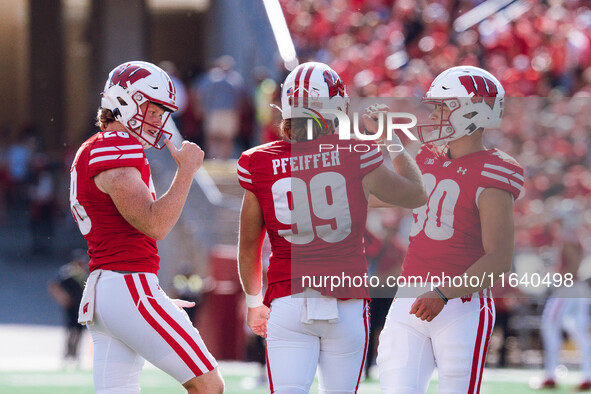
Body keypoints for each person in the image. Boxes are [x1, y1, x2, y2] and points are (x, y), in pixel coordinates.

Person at [236, 61, 427, 393]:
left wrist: (254, 301)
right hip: (346, 303)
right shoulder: (357, 153)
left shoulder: (259, 160)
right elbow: (416, 194)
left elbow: (249, 244)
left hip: (289, 299)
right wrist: (391, 140)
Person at [69, 61, 224, 394]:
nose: (158, 121)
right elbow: (155, 224)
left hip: (110, 288)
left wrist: (148, 296)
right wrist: (186, 172)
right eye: (152, 111)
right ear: (124, 102)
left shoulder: (93, 148)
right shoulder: (116, 148)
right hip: (127, 286)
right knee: (209, 385)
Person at [377, 66, 525, 393]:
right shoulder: (428, 155)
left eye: (443, 106)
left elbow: (499, 257)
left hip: (460, 305)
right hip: (409, 297)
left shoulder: (496, 168)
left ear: (471, 110)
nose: (436, 114)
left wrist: (444, 293)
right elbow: (396, 190)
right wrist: (389, 141)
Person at [534, 199, 591, 390]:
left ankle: (551, 374)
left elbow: (573, 265)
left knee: (550, 326)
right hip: (577, 288)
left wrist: (558, 280)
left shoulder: (568, 236)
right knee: (578, 331)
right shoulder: (576, 235)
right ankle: (587, 374)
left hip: (568, 288)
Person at [47, 249, 89, 367]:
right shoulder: (68, 272)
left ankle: (75, 354)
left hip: (81, 306)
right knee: (71, 330)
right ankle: (68, 353)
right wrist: (62, 298)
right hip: (71, 306)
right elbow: (54, 285)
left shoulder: (85, 273)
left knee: (80, 330)